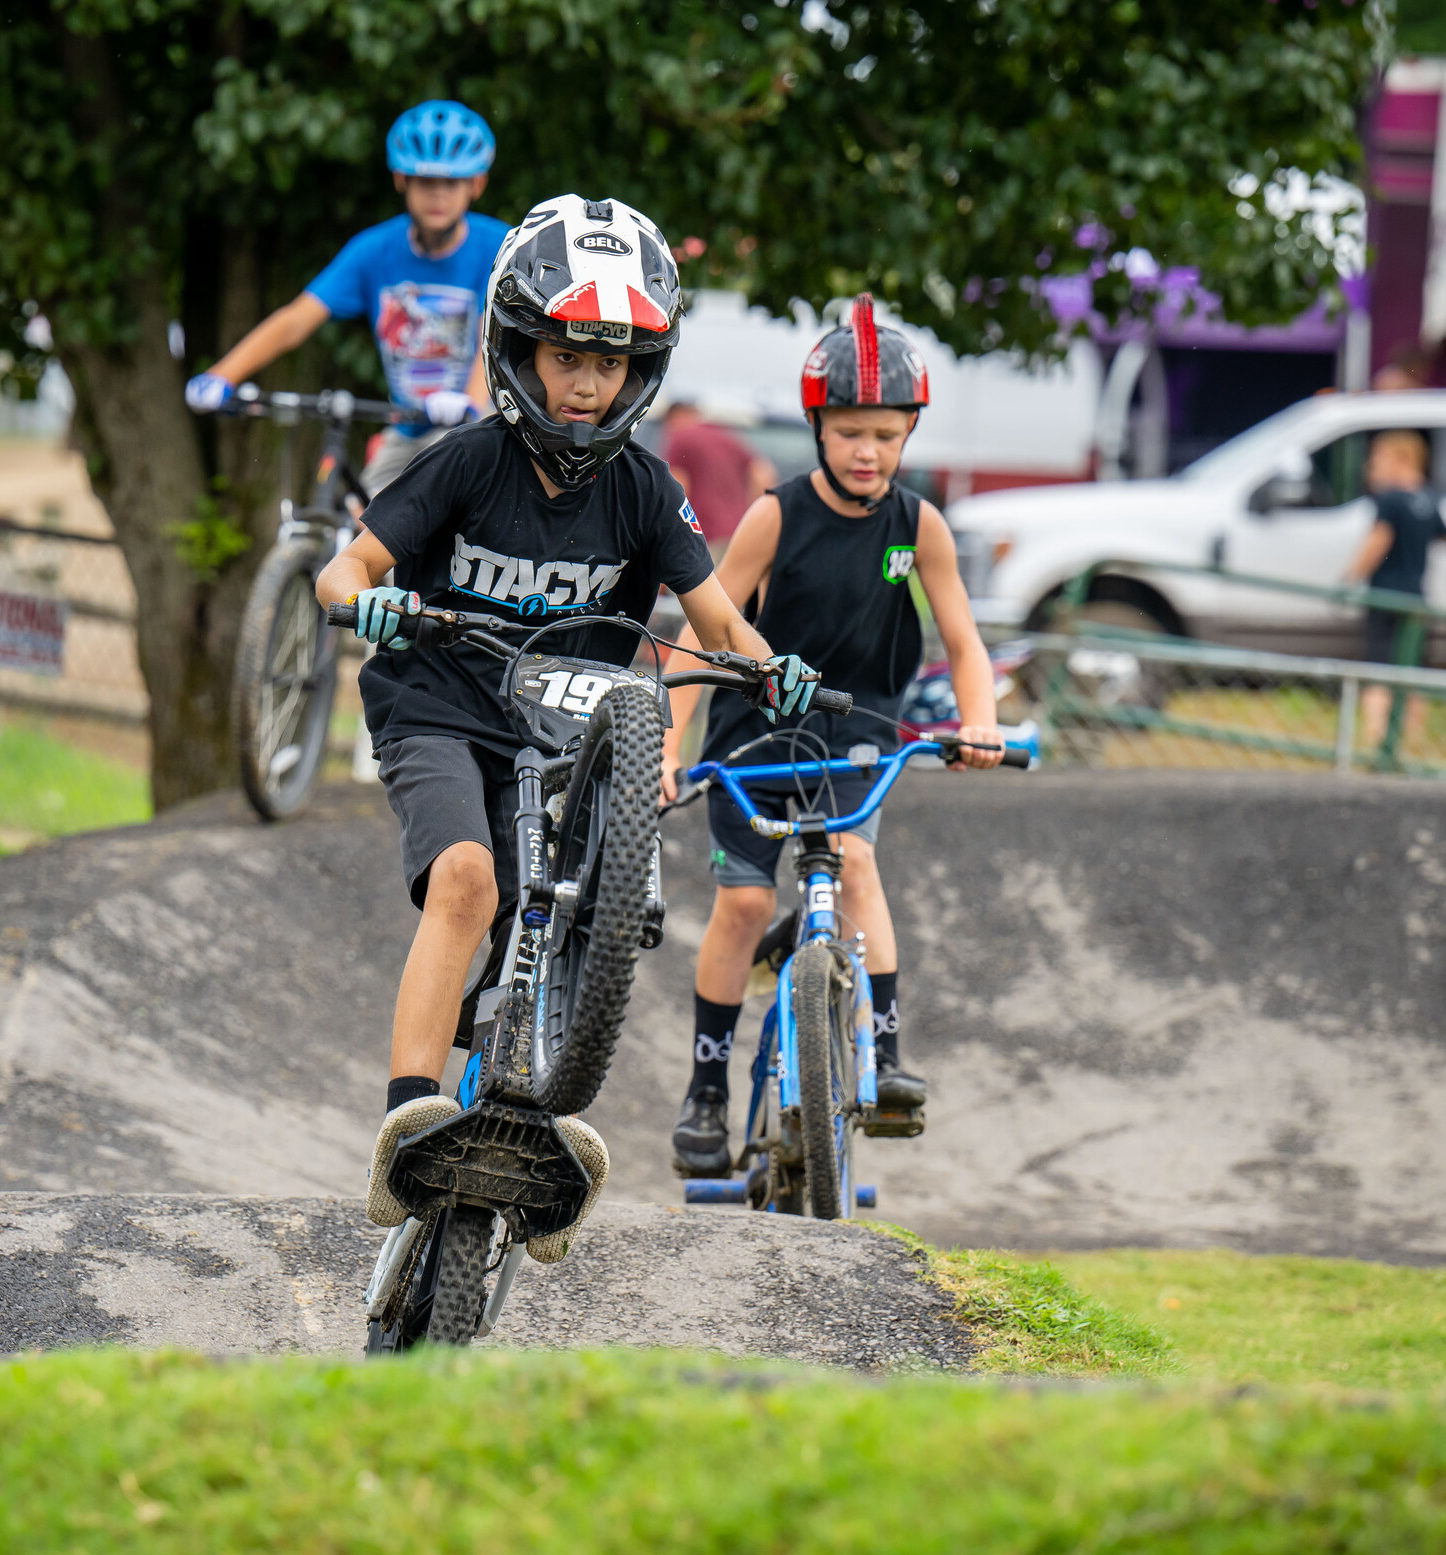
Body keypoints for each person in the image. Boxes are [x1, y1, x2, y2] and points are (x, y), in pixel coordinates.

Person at [312, 194, 815, 1255]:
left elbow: (717, 618)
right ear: (516, 349)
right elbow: (343, 568)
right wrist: (374, 595)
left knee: (586, 907)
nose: (589, 384)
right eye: (566, 357)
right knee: (468, 882)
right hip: (441, 702)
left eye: (616, 362)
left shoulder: (644, 488)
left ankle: (533, 1112)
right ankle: (407, 1122)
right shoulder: (466, 461)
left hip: (569, 730)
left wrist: (777, 673)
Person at [660, 294, 1002, 1179]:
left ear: (908, 435)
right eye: (850, 431)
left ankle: (884, 1061)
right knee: (740, 906)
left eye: (887, 435)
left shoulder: (919, 527)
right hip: (752, 744)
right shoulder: (777, 515)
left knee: (855, 865)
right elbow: (705, 627)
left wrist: (982, 724)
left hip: (856, 745)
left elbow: (963, 638)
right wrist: (665, 749)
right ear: (818, 428)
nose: (868, 452)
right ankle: (705, 1093)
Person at [185, 101, 505, 493]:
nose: (437, 194)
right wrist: (222, 375)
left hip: (481, 426)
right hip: (405, 428)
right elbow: (297, 320)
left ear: (476, 184)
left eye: (451, 182)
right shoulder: (373, 250)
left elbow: (497, 337)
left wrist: (471, 403)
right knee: (365, 525)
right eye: (425, 182)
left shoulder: (501, 248)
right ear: (401, 180)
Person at [1344, 428, 1446, 741]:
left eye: (1376, 460)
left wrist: (1351, 574)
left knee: (1378, 665)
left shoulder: (1389, 499)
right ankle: (1412, 735)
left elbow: (1379, 540)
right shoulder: (1430, 498)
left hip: (1386, 594)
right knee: (1411, 666)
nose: (1370, 468)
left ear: (1399, 459)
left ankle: (1375, 735)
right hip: (1417, 595)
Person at [659, 398, 775, 557]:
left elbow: (676, 490)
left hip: (702, 538)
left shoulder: (681, 436)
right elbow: (763, 474)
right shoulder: (726, 436)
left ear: (675, 416)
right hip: (737, 535)